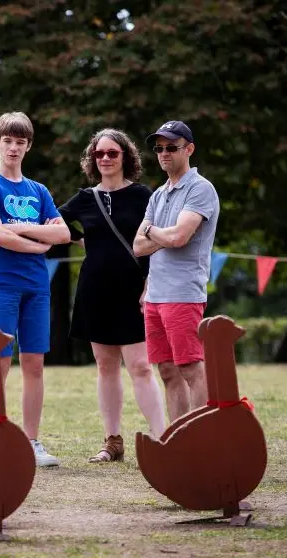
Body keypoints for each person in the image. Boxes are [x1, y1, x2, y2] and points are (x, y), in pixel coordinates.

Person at [57, 128, 167, 463]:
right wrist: (79, 239)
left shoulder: (143, 196)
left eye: (112, 153)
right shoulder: (85, 198)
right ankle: (112, 441)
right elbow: (56, 220)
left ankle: (162, 439)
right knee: (106, 366)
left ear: (125, 157)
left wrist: (150, 284)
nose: (104, 158)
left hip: (134, 288)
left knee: (141, 366)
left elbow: (157, 243)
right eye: (98, 154)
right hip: (95, 289)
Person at [0, 111, 71, 467]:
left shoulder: (39, 190)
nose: (13, 147)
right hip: (1, 284)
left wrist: (20, 231)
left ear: (28, 146)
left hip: (37, 287)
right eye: (8, 141)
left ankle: (31, 441)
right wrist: (37, 241)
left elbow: (64, 234)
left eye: (21, 142)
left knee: (34, 364)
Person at [133, 120, 220, 422]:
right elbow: (137, 246)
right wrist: (161, 235)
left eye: (172, 147)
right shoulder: (158, 194)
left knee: (190, 367)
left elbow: (178, 237)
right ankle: (179, 436)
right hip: (155, 295)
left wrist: (152, 230)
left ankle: (203, 437)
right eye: (159, 148)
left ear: (189, 149)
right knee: (168, 371)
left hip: (183, 293)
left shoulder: (200, 189)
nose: (164, 153)